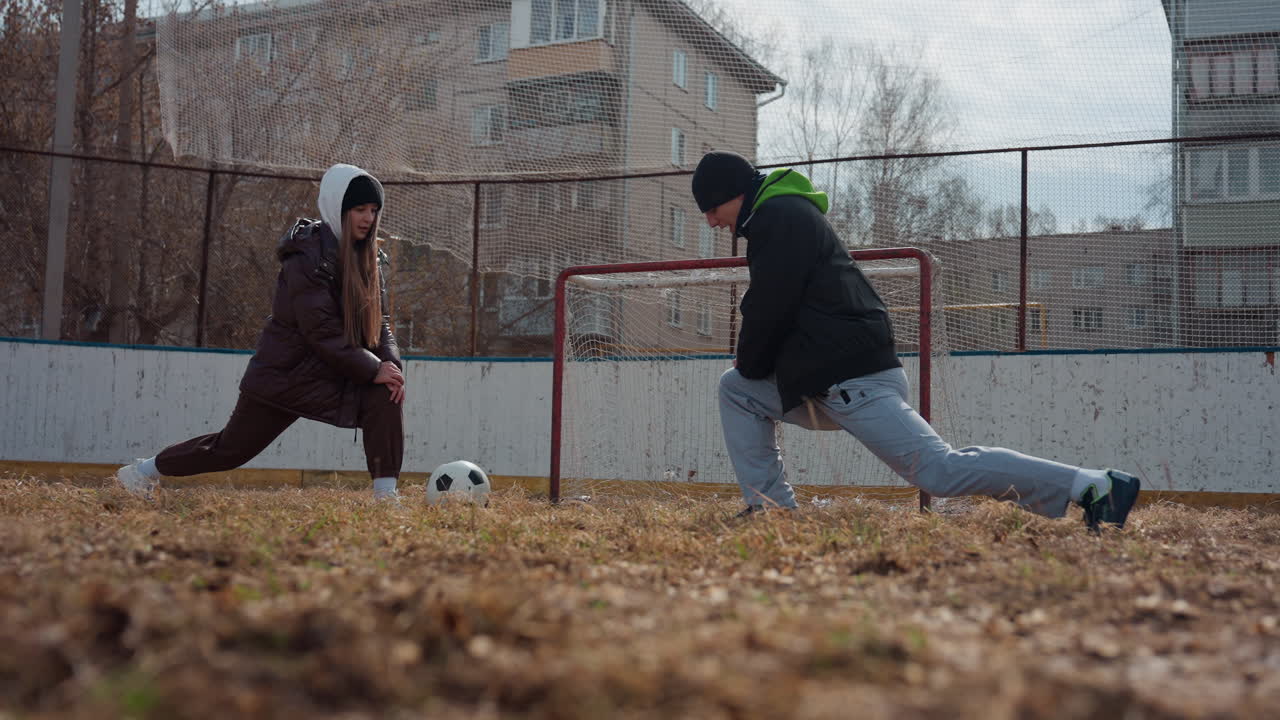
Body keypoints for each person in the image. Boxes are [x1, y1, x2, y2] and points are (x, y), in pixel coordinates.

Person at [690, 151, 1140, 531]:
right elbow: (778, 304)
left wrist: (752, 361)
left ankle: (1094, 486)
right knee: (738, 390)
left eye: (711, 207)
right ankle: (771, 511)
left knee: (937, 470)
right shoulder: (778, 215)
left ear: (734, 192)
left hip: (851, 379)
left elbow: (771, 305)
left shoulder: (779, 216)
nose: (711, 220)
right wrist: (750, 369)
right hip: (827, 377)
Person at [115, 163, 406, 501]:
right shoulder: (307, 256)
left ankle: (385, 497)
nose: (368, 218)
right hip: (286, 376)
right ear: (336, 207)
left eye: (373, 210)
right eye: (359, 209)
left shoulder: (369, 258)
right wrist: (373, 368)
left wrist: (389, 364)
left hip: (333, 371)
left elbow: (381, 323)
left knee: (388, 391)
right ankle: (140, 473)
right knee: (229, 450)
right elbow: (321, 331)